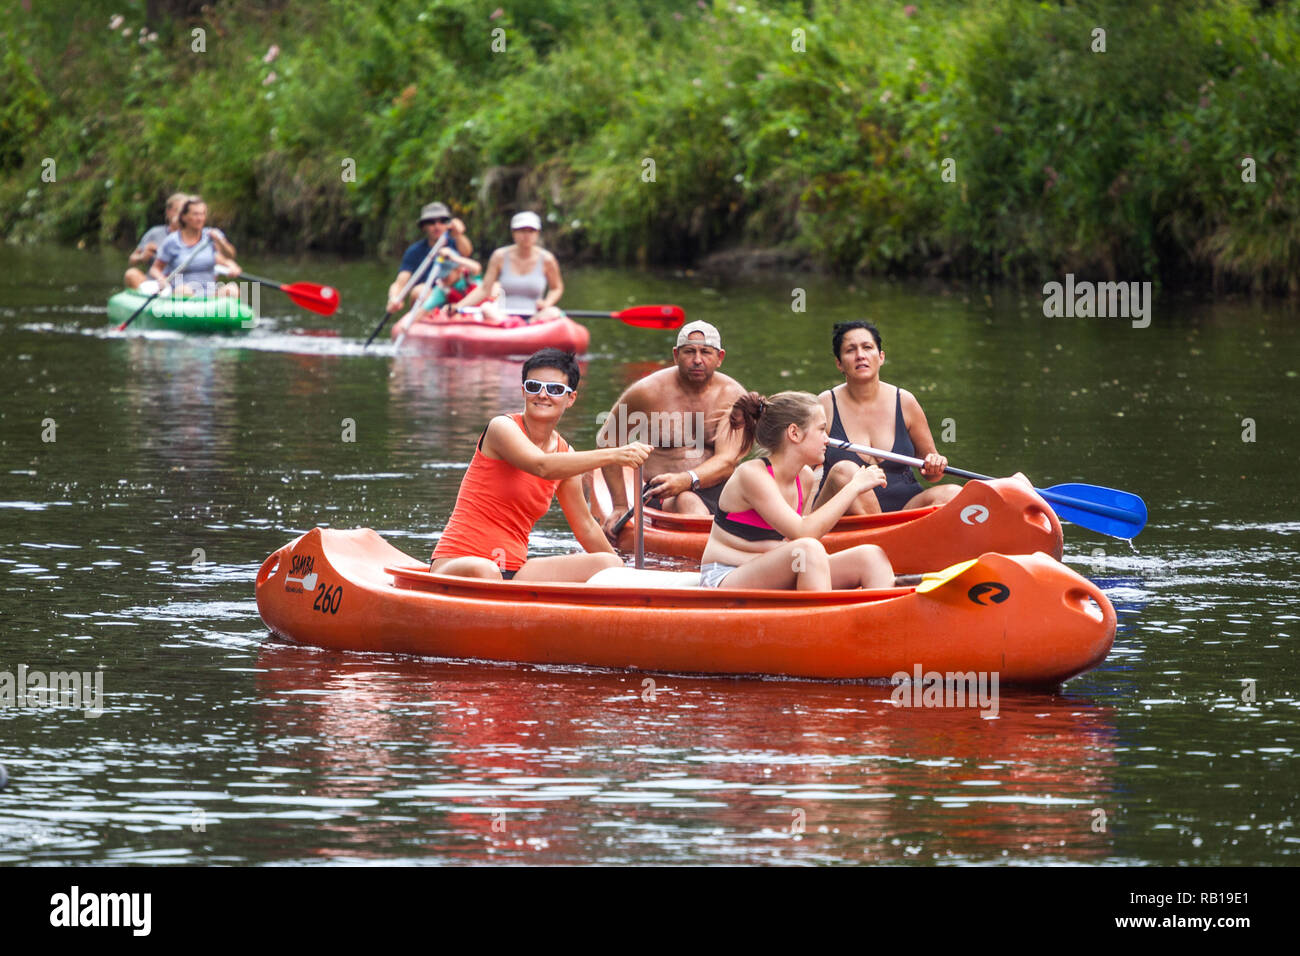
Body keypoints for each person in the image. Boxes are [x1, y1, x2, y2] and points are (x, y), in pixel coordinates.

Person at [430, 348, 653, 583]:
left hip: (515, 571)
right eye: (534, 387)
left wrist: (626, 578)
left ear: (570, 399)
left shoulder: (565, 454)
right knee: (486, 570)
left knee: (609, 564)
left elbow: (586, 526)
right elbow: (541, 465)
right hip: (458, 563)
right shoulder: (501, 428)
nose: (543, 395)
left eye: (555, 389)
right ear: (524, 391)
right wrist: (613, 455)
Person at [698, 391, 895, 590]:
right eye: (821, 430)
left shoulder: (805, 477)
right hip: (724, 575)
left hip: (776, 567)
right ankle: (821, 619)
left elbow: (798, 538)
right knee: (808, 550)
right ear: (794, 433)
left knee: (870, 557)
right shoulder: (752, 475)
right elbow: (804, 533)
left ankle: (880, 619)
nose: (827, 439)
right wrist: (854, 486)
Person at [597, 321, 749, 536]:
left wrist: (687, 479)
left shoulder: (733, 396)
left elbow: (727, 460)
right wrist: (620, 505)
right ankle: (708, 553)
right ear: (676, 355)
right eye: (689, 352)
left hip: (720, 490)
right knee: (687, 500)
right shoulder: (648, 391)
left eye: (705, 352)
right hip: (662, 491)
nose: (697, 360)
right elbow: (608, 439)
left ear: (720, 358)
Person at [814, 320, 960, 514]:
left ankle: (894, 537)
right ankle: (878, 539)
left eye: (867, 347)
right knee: (846, 471)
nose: (860, 355)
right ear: (839, 363)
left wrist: (935, 464)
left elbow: (932, 475)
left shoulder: (905, 401)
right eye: (850, 350)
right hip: (849, 515)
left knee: (953, 493)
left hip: (903, 509)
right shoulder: (824, 405)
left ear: (881, 356)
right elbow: (802, 470)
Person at [450, 211, 563, 325]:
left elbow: (556, 288)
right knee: (486, 308)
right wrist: (459, 306)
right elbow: (485, 289)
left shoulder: (547, 259)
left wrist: (547, 302)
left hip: (534, 316)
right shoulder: (499, 256)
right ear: (513, 233)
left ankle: (526, 326)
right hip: (503, 316)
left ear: (537, 233)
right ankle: (511, 325)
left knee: (554, 312)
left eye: (531, 231)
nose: (526, 235)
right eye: (522, 231)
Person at [386, 202, 474, 314]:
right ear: (424, 227)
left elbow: (467, 252)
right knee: (419, 290)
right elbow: (400, 282)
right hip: (430, 298)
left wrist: (459, 234)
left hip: (456, 296)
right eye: (431, 222)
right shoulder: (415, 251)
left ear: (448, 224)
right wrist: (394, 298)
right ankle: (427, 319)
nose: (437, 226)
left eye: (442, 221)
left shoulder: (457, 243)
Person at [148, 195, 241, 297]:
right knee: (184, 291)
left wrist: (220, 241)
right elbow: (155, 269)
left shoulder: (212, 236)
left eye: (202, 214)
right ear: (184, 217)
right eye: (195, 214)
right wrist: (162, 280)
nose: (200, 218)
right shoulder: (172, 241)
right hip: (183, 292)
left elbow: (230, 255)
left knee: (232, 289)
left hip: (210, 294)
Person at [124, 192, 187, 290]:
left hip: (181, 283)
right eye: (177, 210)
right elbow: (132, 259)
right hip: (154, 282)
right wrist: (142, 256)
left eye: (184, 211)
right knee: (131, 274)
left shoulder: (194, 235)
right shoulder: (154, 233)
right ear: (168, 212)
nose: (180, 215)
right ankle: (146, 297)